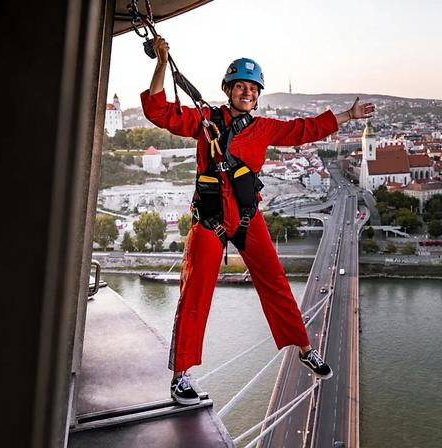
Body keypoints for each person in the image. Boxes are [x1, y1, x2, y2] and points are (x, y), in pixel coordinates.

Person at [141, 36, 375, 405]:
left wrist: (348, 115)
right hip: (211, 219)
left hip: (247, 218)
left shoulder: (264, 128)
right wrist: (160, 63)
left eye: (252, 88)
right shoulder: (205, 121)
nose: (247, 93)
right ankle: (181, 375)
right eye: (241, 87)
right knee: (195, 292)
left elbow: (304, 130)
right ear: (229, 90)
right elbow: (159, 112)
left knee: (276, 283)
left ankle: (303, 347)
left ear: (257, 94)